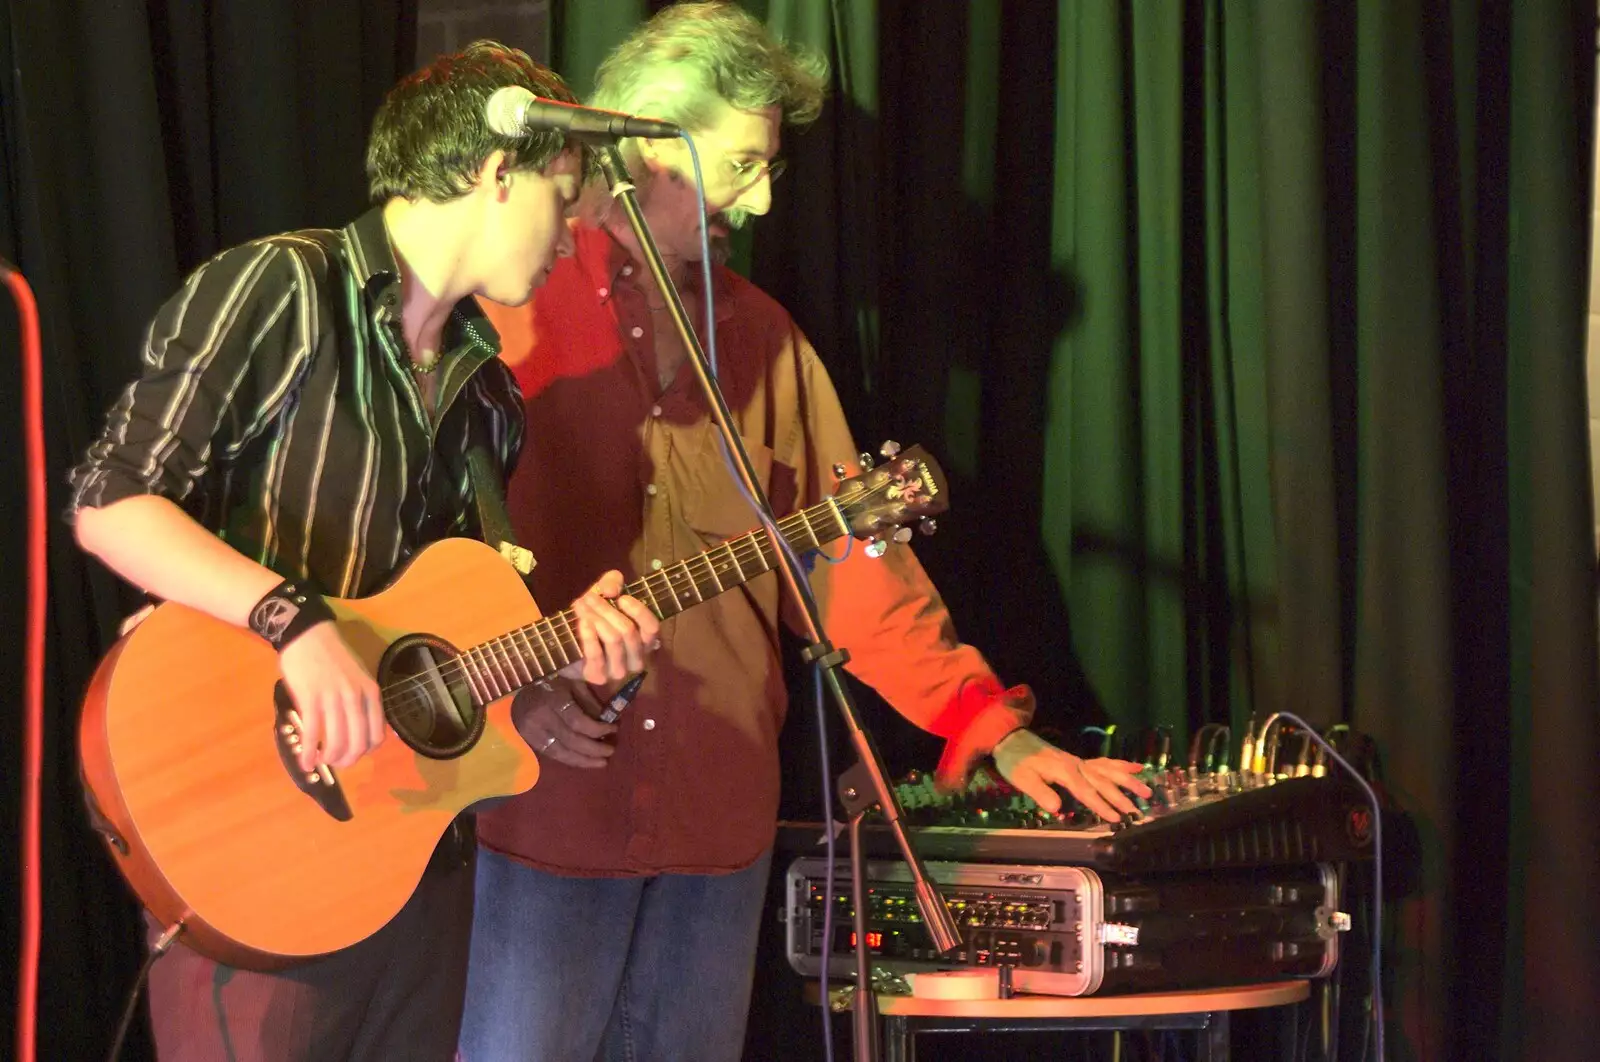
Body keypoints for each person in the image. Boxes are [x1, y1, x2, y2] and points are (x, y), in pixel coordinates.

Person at [458, 5, 1151, 1061]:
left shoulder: (765, 340)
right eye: (742, 164)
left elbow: (855, 573)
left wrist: (989, 725)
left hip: (717, 824)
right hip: (539, 819)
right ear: (645, 140)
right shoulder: (505, 312)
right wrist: (511, 696)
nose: (767, 197)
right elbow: (420, 559)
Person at [67, 41, 657, 1062]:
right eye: (564, 201)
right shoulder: (282, 288)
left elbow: (444, 633)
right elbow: (109, 499)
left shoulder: (487, 397)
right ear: (495, 169)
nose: (571, 238)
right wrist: (293, 625)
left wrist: (549, 694)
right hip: (252, 848)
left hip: (413, 863)